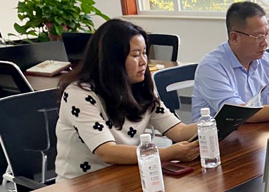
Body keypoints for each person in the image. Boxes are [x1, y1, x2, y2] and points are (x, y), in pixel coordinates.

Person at [56, 19, 200, 180]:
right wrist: (167, 153)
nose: (144, 62)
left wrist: (210, 125)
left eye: (144, 53)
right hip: (82, 185)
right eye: (135, 55)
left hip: (124, 176)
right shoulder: (79, 94)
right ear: (113, 59)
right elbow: (106, 151)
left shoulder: (140, 87)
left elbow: (178, 131)